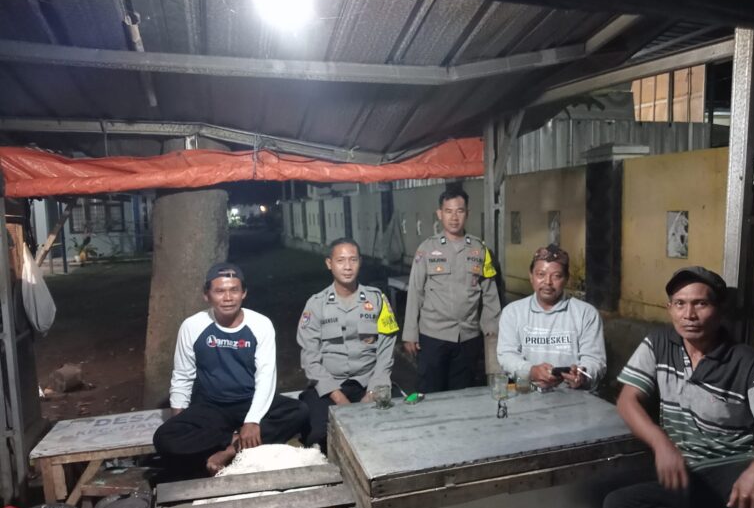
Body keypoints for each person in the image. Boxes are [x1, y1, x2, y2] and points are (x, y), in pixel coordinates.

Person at [603, 266, 754, 508]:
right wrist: (661, 444)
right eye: (680, 304)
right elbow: (628, 399)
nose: (689, 314)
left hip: (734, 467)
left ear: (719, 311)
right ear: (670, 309)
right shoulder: (658, 344)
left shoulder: (745, 362)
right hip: (688, 474)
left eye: (700, 304)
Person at [153, 262, 309, 476]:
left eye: (234, 290)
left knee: (298, 411)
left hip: (249, 401)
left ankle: (230, 452)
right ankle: (233, 440)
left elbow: (266, 377)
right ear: (206, 295)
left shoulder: (260, 324)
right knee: (164, 438)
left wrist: (252, 420)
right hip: (212, 406)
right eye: (219, 291)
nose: (228, 298)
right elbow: (182, 375)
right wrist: (180, 421)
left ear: (244, 293)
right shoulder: (193, 325)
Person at [297, 238, 399, 451]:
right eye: (340, 260)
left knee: (394, 429)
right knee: (319, 435)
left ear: (360, 262)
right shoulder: (316, 304)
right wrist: (339, 399)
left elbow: (386, 352)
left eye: (353, 260)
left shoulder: (377, 300)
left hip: (369, 383)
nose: (347, 266)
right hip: (329, 387)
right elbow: (310, 359)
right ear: (329, 263)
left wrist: (373, 392)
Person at [402, 185, 501, 393]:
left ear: (467, 213)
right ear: (440, 214)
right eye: (448, 211)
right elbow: (415, 292)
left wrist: (492, 329)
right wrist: (410, 332)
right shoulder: (427, 249)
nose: (454, 217)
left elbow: (489, 292)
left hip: (468, 336)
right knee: (430, 392)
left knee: (463, 394)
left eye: (459, 211)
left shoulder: (480, 250)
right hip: (433, 336)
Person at [496, 244, 606, 390]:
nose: (548, 282)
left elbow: (595, 361)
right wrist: (531, 371)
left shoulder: (586, 314)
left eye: (556, 276)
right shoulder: (513, 312)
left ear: (566, 279)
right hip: (526, 393)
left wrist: (582, 375)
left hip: (572, 396)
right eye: (541, 274)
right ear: (531, 276)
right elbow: (507, 355)